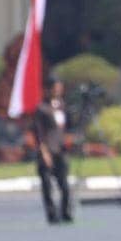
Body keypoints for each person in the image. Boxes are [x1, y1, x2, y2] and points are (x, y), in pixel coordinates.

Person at [33, 77, 72, 224]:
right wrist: (44, 152)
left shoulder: (62, 106)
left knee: (64, 183)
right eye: (55, 88)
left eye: (59, 88)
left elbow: (67, 127)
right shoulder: (42, 108)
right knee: (47, 185)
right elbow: (39, 133)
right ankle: (51, 214)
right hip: (48, 149)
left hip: (60, 150)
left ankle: (66, 212)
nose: (57, 91)